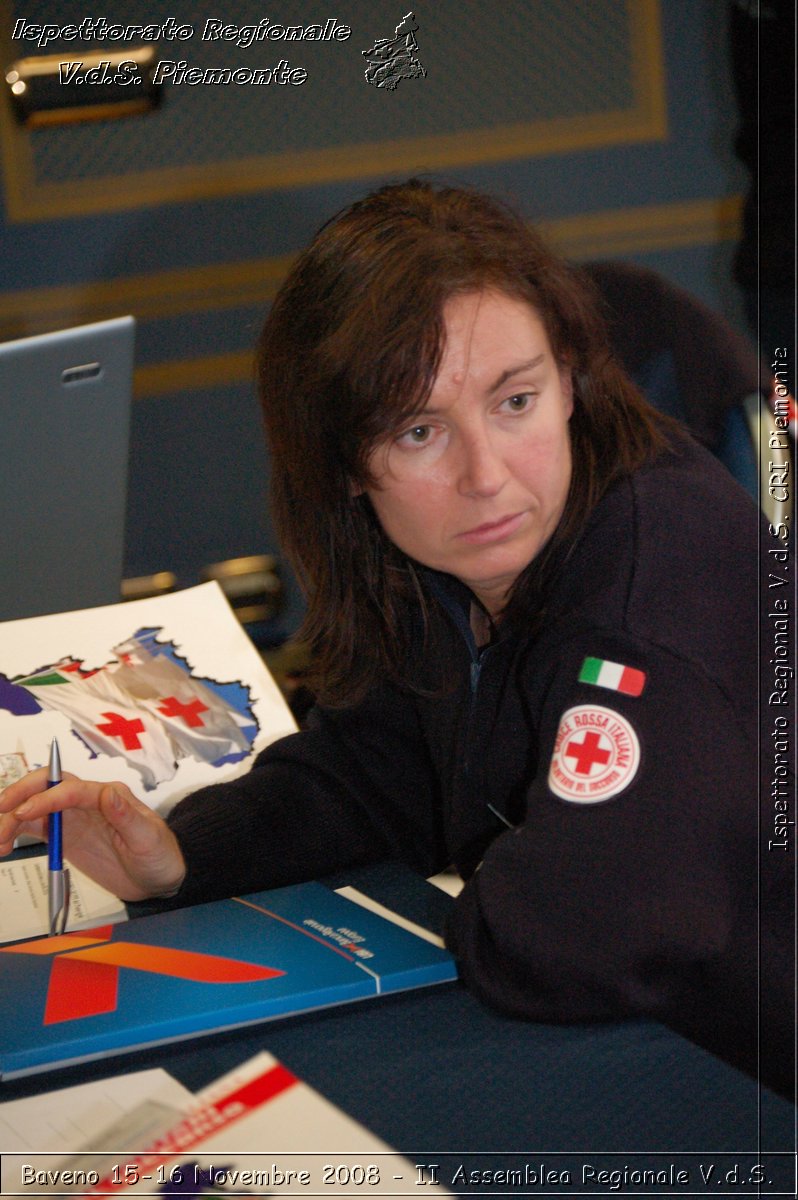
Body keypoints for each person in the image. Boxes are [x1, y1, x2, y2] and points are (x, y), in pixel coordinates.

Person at [0, 179, 793, 1099]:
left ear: (571, 380)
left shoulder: (654, 581)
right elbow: (378, 767)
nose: (487, 476)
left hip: (744, 1079)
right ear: (341, 466)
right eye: (420, 431)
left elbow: (587, 933)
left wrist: (494, 873)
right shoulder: (447, 563)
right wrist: (187, 854)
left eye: (516, 401)